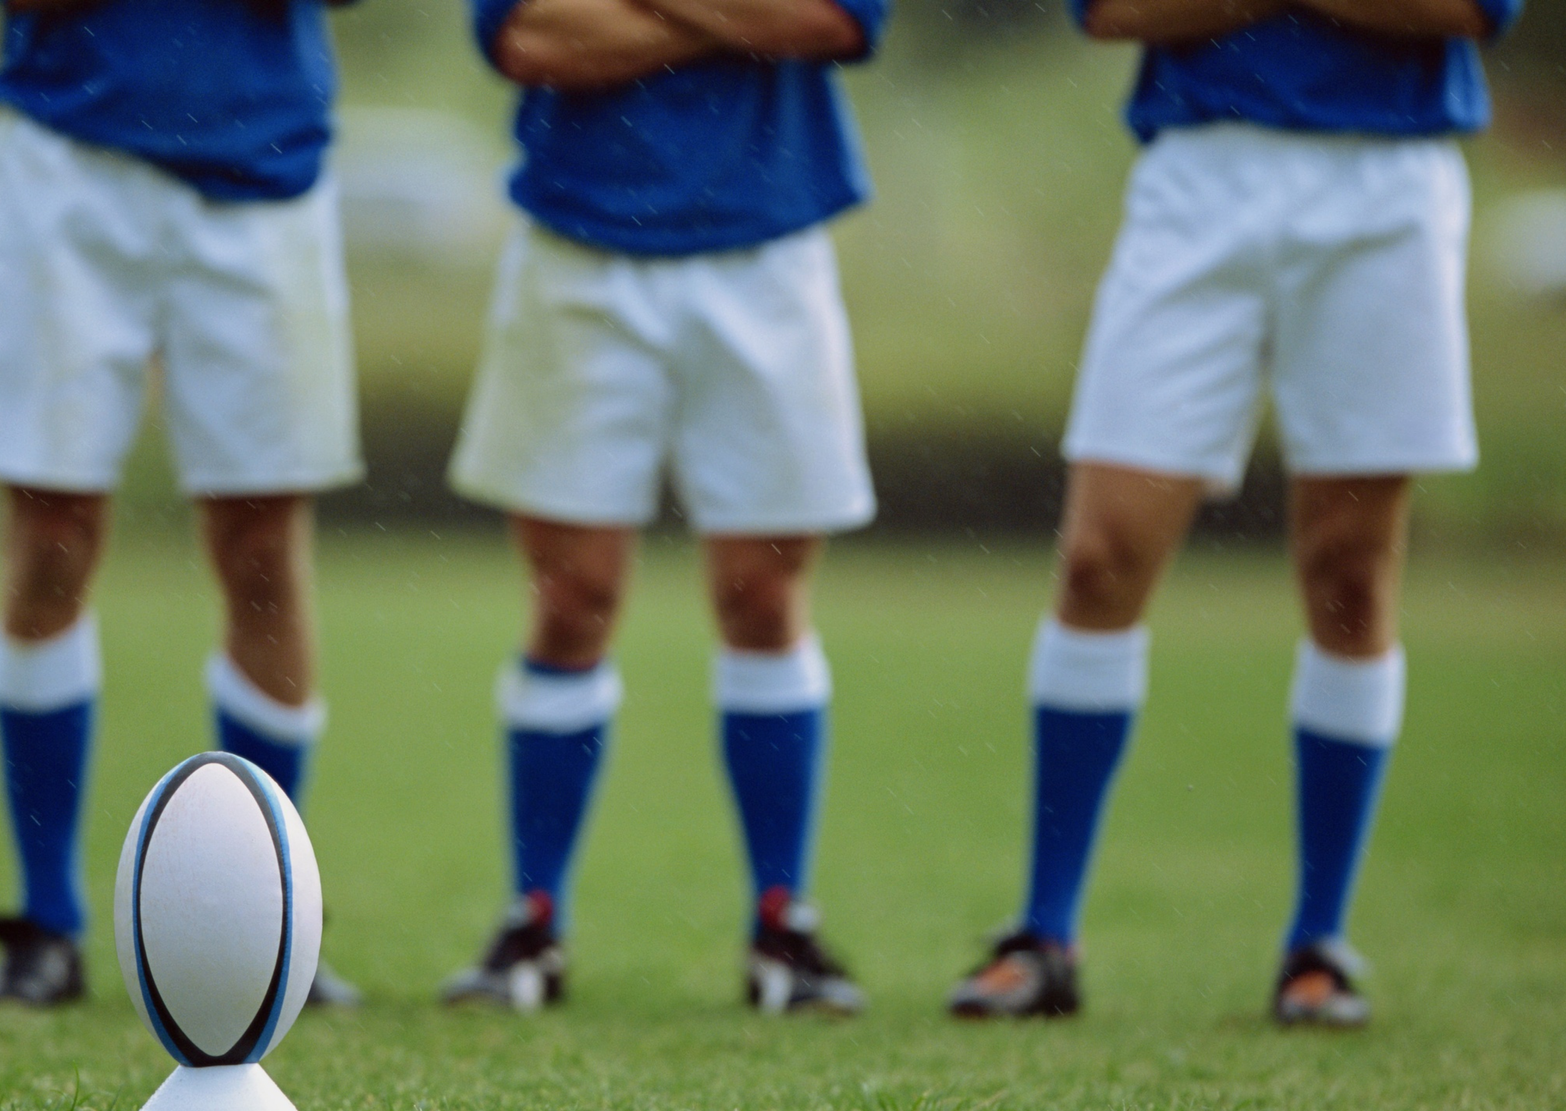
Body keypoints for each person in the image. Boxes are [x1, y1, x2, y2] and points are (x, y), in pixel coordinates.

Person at [947, 0, 1522, 1025]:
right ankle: (1045, 933)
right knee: (1098, 558)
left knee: (1350, 572)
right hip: (1197, 180)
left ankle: (1317, 943)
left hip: (1387, 181)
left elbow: (1471, 12)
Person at [439, 0, 887, 1014]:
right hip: (579, 242)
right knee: (571, 600)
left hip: (769, 241)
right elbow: (527, 38)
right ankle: (533, 921)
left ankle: (782, 921)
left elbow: (837, 21)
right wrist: (738, 20)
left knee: (764, 599)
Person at [0, 0, 363, 1007]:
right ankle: (47, 921)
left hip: (265, 175)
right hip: (65, 166)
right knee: (51, 535)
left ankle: (269, 920)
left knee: (261, 550)